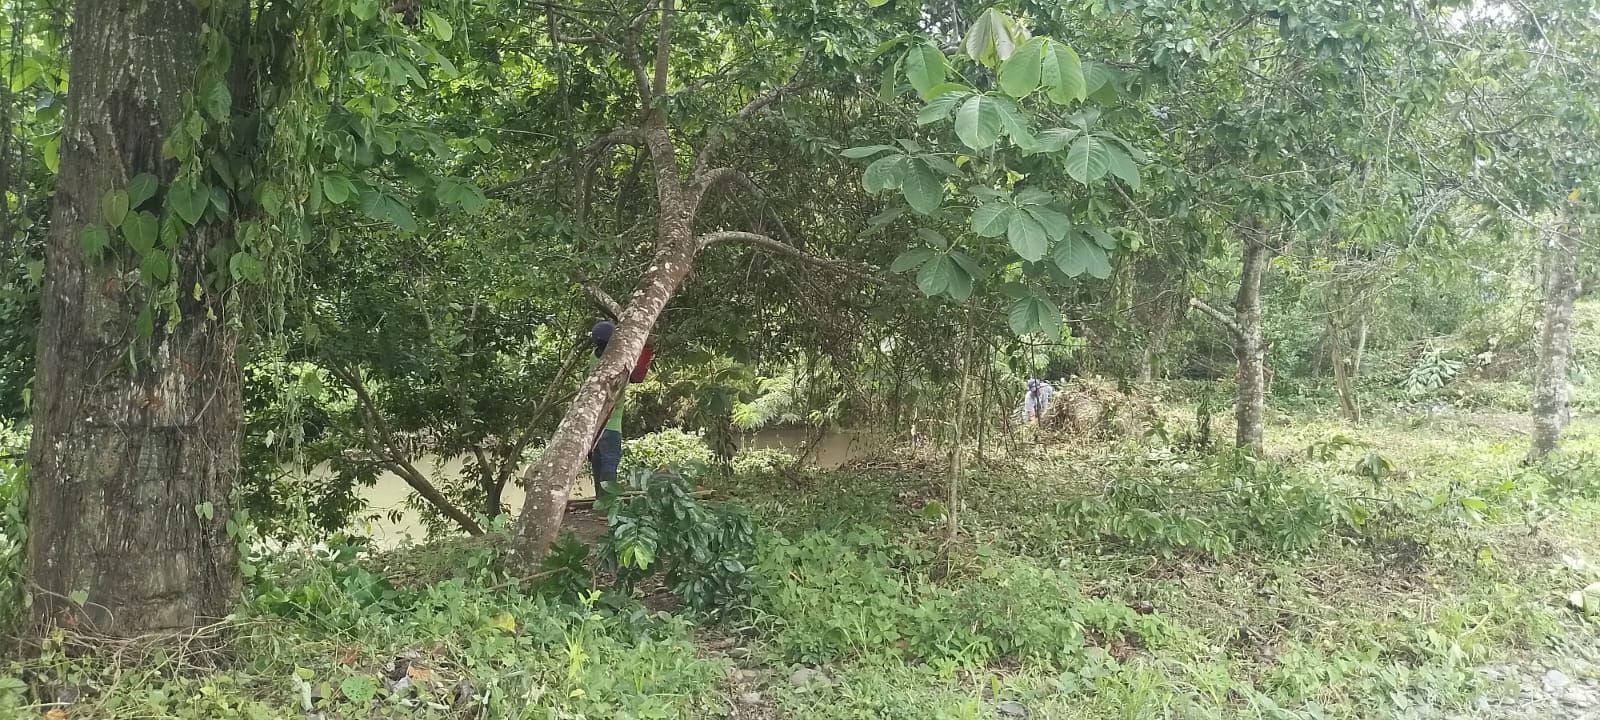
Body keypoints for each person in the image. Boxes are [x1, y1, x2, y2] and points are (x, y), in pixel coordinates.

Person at [587, 320, 654, 499]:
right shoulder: (616, 363)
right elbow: (637, 377)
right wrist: (647, 349)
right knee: (610, 463)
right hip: (611, 424)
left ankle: (600, 501)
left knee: (598, 464)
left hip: (593, 425)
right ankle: (607, 502)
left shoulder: (594, 358)